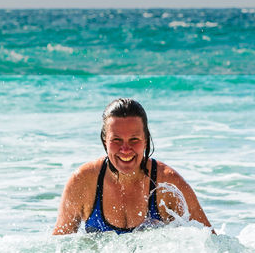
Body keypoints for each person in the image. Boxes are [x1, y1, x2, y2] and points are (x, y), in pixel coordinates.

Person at [53, 98, 213, 235]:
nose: (125, 149)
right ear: (104, 141)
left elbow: (211, 244)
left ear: (145, 140)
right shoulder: (83, 182)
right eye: (116, 140)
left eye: (134, 139)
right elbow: (59, 250)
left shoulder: (168, 184)